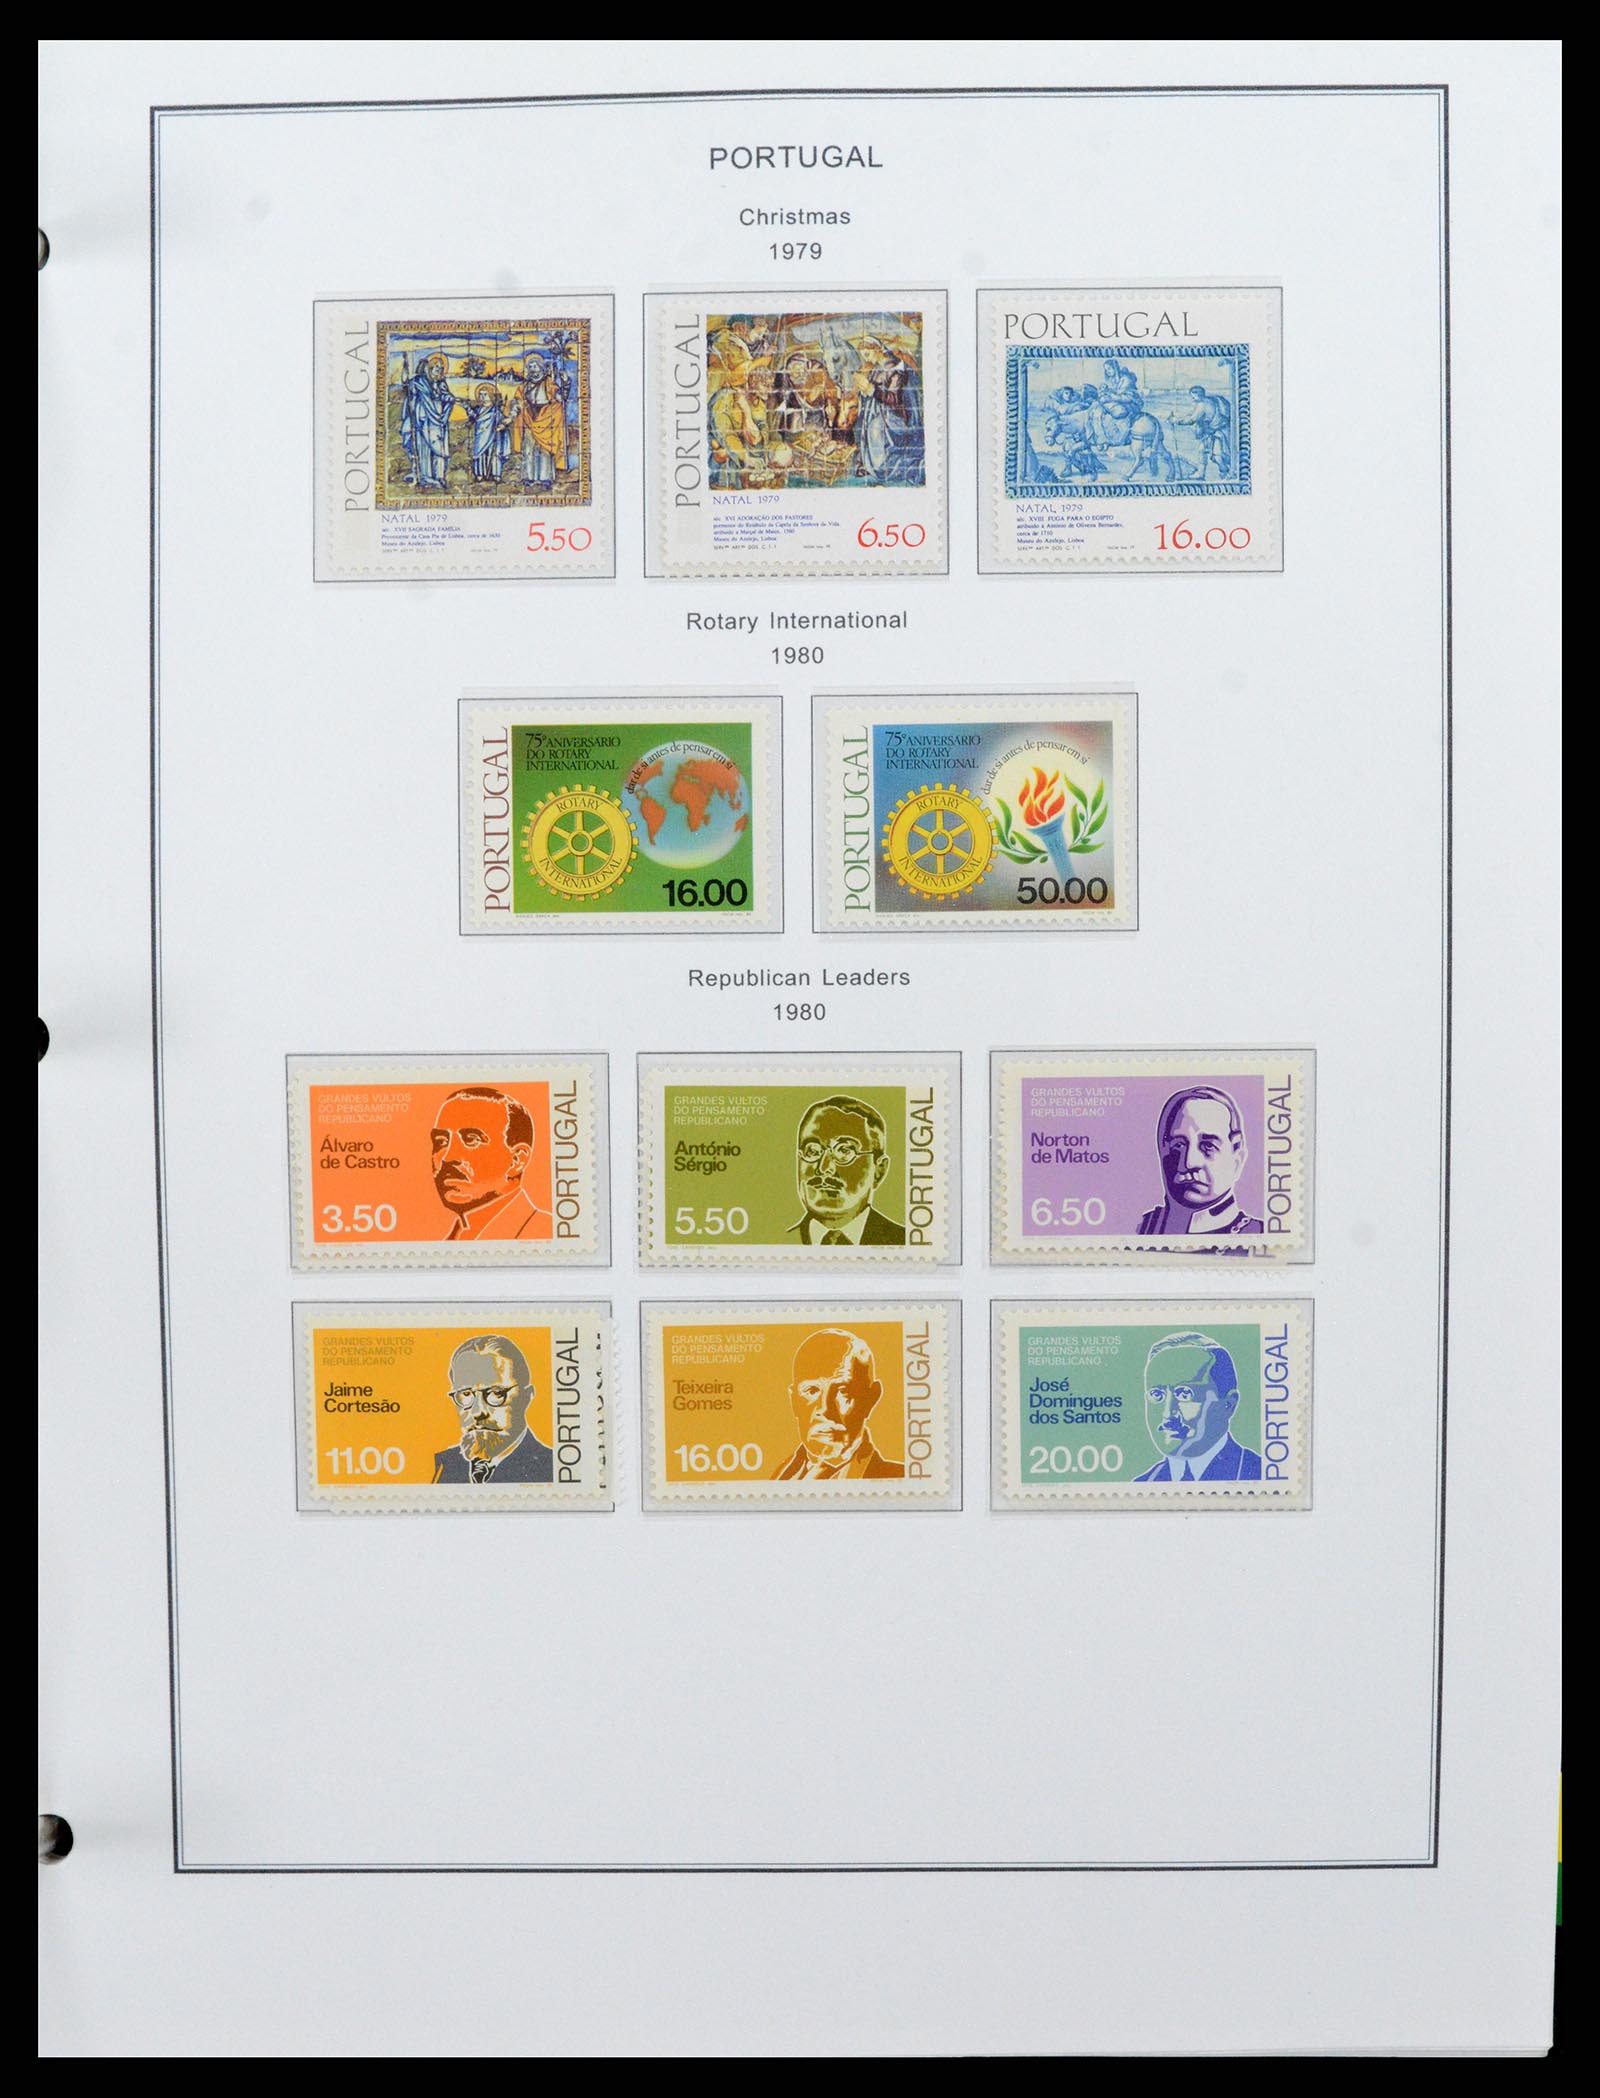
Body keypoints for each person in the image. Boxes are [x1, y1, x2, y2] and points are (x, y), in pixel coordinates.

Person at [772, 1328, 904, 1481]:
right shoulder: (780, 1475)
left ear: (871, 1398)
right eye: (812, 1390)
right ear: (793, 1400)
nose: (825, 1409)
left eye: (843, 1391)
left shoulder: (899, 1478)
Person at [1137, 1085, 1263, 1237]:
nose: (1189, 1163)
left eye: (1208, 1146)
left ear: (1237, 1159)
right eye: (1178, 1145)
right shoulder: (1141, 1229)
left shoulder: (1260, 1234)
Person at [1136, 1332, 1261, 1482]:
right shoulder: (1142, 1484)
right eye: (1157, 1395)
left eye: (1184, 1394)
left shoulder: (1257, 1472)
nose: (1167, 1413)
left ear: (1228, 1405)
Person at [430, 1086, 549, 1242]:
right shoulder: (453, 1238)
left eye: (471, 1139)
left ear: (517, 1160)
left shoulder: (544, 1232)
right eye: (442, 1141)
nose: (448, 1157)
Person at [432, 1334, 553, 1485]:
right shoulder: (444, 1467)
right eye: (466, 1394)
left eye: (496, 1393)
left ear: (526, 1396)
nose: (477, 1412)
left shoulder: (550, 1469)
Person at [787, 1094, 904, 1245]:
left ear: (879, 1171)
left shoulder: (904, 1242)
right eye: (813, 1151)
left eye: (844, 1151)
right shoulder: (771, 1241)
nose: (824, 1168)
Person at [851, 332, 923, 484]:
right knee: (866, 425)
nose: (866, 358)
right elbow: (872, 395)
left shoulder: (896, 367)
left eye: (867, 354)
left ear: (878, 349)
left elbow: (893, 399)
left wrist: (870, 389)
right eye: (863, 355)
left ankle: (894, 466)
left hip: (894, 419)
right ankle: (869, 463)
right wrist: (863, 390)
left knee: (875, 429)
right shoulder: (877, 368)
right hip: (879, 416)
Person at [507, 352, 568, 490]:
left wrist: (565, 383)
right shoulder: (524, 386)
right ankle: (528, 477)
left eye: (535, 366)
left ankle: (545, 478)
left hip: (546, 418)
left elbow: (561, 398)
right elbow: (517, 401)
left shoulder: (549, 383)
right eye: (530, 367)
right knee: (528, 448)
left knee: (545, 450)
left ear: (541, 367)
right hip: (529, 418)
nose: (533, 369)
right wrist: (513, 412)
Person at [399, 350, 458, 490]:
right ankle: (424, 476)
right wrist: (406, 366)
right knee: (422, 448)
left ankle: (439, 476)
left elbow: (445, 396)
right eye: (436, 366)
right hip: (422, 420)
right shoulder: (419, 381)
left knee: (439, 449)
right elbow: (407, 385)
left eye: (441, 368)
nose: (439, 369)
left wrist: (449, 398)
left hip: (438, 421)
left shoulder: (441, 384)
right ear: (429, 367)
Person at [465, 383, 510, 483]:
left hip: (492, 436)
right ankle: (480, 474)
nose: (482, 397)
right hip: (480, 437)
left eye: (485, 394)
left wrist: (501, 426)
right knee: (479, 455)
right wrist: (467, 408)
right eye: (480, 394)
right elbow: (473, 416)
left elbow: (502, 421)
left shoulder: (495, 411)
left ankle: (495, 474)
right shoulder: (478, 410)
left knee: (493, 454)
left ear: (491, 396)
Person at [1188, 383, 1234, 476]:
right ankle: (1201, 472)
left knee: (1217, 456)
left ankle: (1224, 471)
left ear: (1198, 394)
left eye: (1193, 396)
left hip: (1216, 433)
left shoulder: (1202, 405)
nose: (1192, 398)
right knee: (1203, 450)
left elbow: (1191, 420)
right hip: (1212, 431)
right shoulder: (1210, 401)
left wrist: (1176, 420)